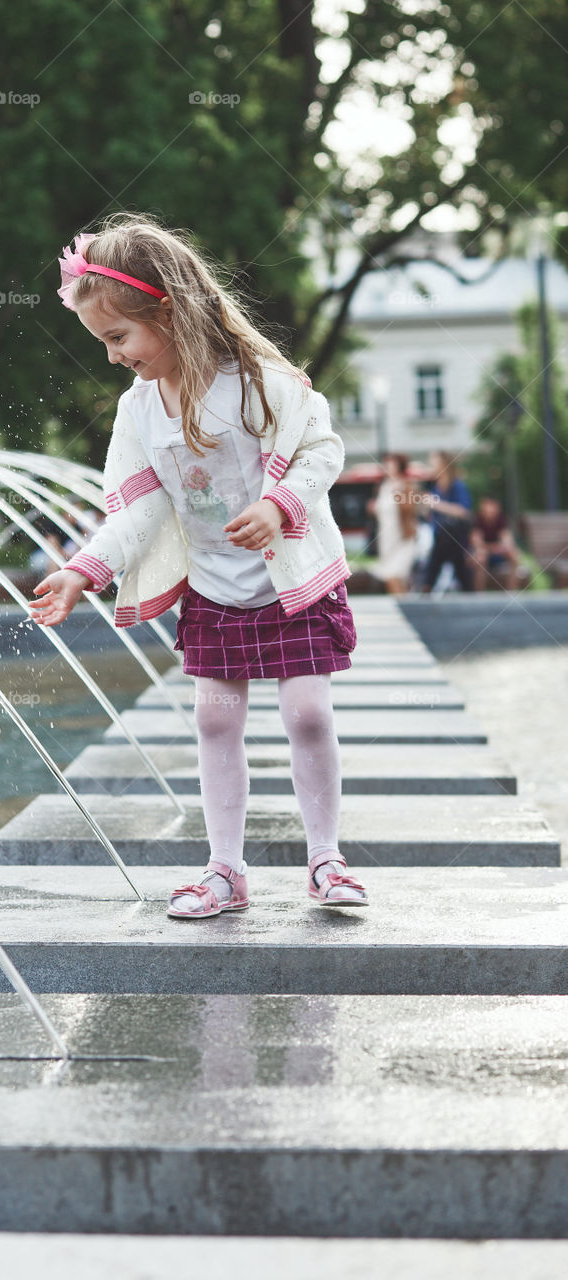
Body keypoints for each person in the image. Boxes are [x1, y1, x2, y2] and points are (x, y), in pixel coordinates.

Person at [28, 214, 367, 914]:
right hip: (214, 588)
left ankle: (326, 859)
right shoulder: (141, 411)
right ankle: (224, 870)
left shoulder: (257, 383)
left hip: (286, 580)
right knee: (214, 722)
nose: (112, 356)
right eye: (102, 343)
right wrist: (82, 569)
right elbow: (139, 511)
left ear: (168, 309)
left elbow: (320, 450)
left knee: (306, 713)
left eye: (117, 337)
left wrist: (279, 505)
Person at [420, 449, 474, 593]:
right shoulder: (434, 488)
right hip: (440, 537)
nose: (430, 464)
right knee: (452, 562)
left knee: (440, 558)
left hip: (454, 538)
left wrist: (436, 504)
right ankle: (465, 588)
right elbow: (430, 516)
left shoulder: (457, 485)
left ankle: (428, 586)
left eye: (434, 460)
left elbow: (463, 511)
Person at [369, 452, 419, 595]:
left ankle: (403, 607)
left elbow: (411, 509)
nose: (388, 467)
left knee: (394, 576)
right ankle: (402, 607)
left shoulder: (406, 485)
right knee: (389, 577)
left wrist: (400, 495)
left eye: (392, 464)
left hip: (403, 538)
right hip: (386, 538)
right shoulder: (383, 487)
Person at [470, 494, 520, 591]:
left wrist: (502, 547)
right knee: (481, 557)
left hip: (498, 554)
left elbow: (507, 541)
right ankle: (479, 596)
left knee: (514, 556)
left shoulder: (502, 520)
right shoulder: (477, 520)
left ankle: (511, 593)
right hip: (482, 556)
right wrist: (495, 548)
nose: (489, 509)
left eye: (492, 506)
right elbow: (477, 544)